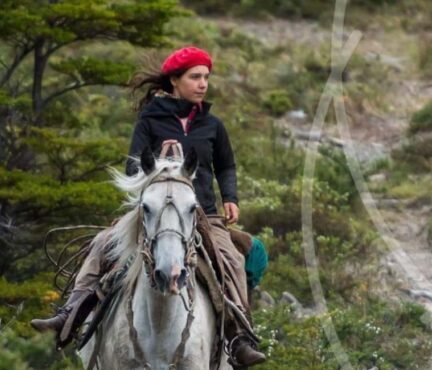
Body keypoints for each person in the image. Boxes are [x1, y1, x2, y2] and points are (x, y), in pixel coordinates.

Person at [31, 46, 266, 367]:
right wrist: (158, 165)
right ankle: (69, 315)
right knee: (102, 244)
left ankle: (239, 337)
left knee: (232, 261)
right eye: (195, 77)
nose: (203, 84)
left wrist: (230, 197)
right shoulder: (150, 120)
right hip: (154, 211)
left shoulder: (213, 125)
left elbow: (226, 165)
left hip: (203, 214)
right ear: (174, 80)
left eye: (206, 77)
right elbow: (132, 167)